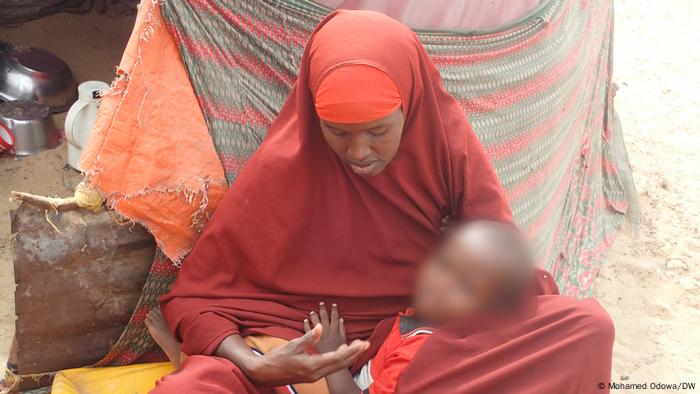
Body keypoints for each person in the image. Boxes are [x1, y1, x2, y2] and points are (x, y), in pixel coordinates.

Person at [151, 10, 614, 394]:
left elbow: (503, 273)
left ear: (410, 106)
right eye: (338, 132)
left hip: (417, 348)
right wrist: (253, 365)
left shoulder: (446, 153)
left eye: (378, 131)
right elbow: (197, 298)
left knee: (585, 327)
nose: (358, 153)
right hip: (291, 352)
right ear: (314, 115)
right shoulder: (281, 170)